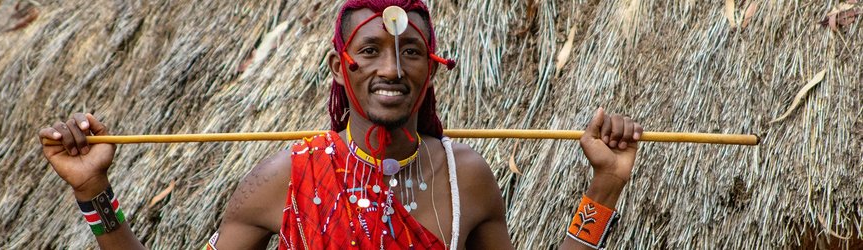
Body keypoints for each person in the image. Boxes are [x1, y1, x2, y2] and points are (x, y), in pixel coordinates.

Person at [38, 0, 643, 249]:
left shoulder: (467, 180)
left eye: (410, 53)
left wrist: (603, 189)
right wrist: (95, 195)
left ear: (431, 70)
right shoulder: (283, 180)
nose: (391, 69)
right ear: (340, 66)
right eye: (371, 49)